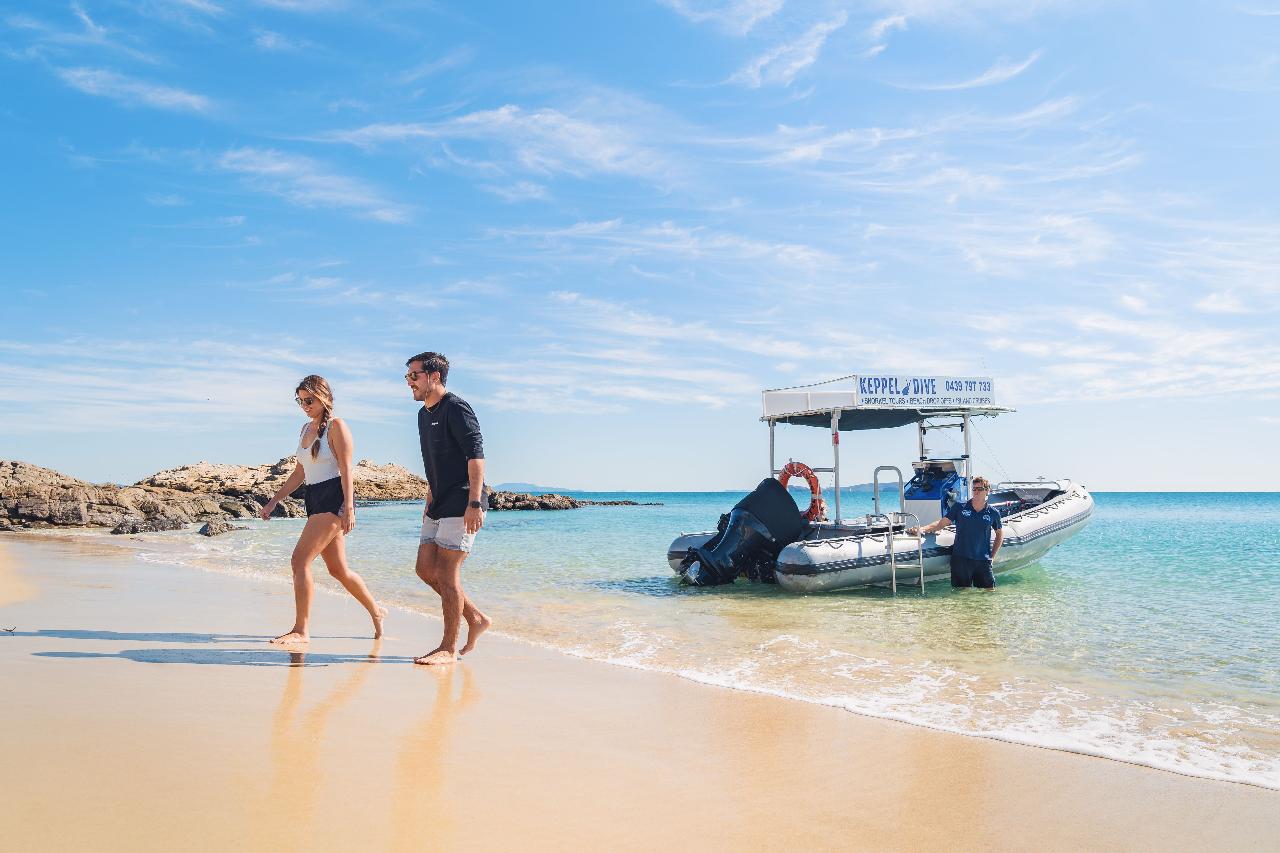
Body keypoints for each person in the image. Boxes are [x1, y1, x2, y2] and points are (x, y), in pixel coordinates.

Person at [260, 375, 387, 643]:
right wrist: (274, 500)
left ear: (323, 397)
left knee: (299, 560)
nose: (304, 405)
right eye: (300, 400)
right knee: (339, 570)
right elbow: (299, 473)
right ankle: (376, 611)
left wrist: (349, 507)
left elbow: (346, 469)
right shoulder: (305, 429)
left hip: (333, 499)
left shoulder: (337, 427)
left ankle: (301, 630)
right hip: (313, 498)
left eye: (309, 400)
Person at [405, 352, 492, 665]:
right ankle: (476, 618)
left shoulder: (456, 408)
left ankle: (448, 648)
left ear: (434, 376)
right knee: (425, 569)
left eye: (414, 376)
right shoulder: (422, 414)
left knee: (447, 572)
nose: (409, 382)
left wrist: (474, 502)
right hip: (438, 501)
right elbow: (435, 460)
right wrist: (429, 496)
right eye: (408, 377)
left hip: (463, 499)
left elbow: (475, 456)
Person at [907, 475, 1004, 590]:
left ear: (987, 490)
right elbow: (941, 523)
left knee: (989, 592)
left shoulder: (993, 513)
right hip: (961, 559)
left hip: (982, 560)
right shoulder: (960, 507)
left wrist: (992, 556)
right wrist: (922, 529)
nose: (976, 492)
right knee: (961, 595)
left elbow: (999, 534)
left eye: (980, 489)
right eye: (974, 489)